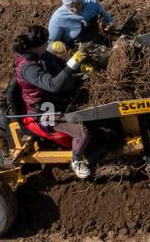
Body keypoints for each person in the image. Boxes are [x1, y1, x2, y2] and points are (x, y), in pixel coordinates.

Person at [12, 25, 95, 178]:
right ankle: (76, 160)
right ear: (36, 47)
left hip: (58, 101)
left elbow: (63, 67)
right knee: (83, 133)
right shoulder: (28, 68)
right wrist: (73, 64)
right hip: (45, 111)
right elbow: (53, 85)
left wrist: (81, 67)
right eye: (46, 42)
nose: (48, 43)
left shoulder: (43, 55)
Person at [48, 0, 114, 47]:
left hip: (97, 43)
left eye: (78, 4)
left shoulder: (92, 4)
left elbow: (110, 21)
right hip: (76, 52)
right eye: (71, 6)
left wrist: (110, 26)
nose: (75, 9)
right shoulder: (58, 18)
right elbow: (50, 44)